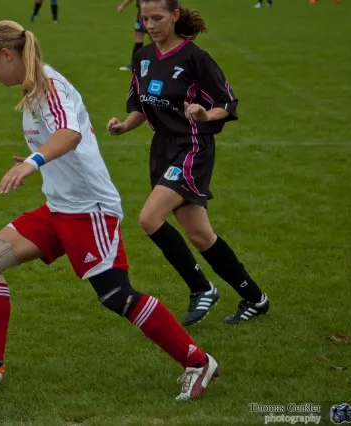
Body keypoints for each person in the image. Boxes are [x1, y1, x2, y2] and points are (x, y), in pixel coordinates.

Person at [0, 19, 219, 401]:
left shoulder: (47, 87)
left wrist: (33, 163)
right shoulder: (33, 88)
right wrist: (41, 159)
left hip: (89, 209)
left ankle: (198, 362)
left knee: (116, 295)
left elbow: (69, 134)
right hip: (60, 206)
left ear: (7, 55)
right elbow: (62, 139)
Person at [107, 0, 270, 326]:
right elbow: (141, 106)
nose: (150, 25)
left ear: (175, 16)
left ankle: (201, 288)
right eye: (145, 19)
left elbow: (227, 102)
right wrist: (123, 126)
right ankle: (256, 298)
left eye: (157, 18)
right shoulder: (143, 58)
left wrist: (205, 114)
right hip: (162, 149)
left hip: (193, 146)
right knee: (200, 235)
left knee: (149, 218)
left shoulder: (195, 58)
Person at [117, 0, 150, 70]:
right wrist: (123, 5)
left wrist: (122, 5)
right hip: (142, 14)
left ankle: (156, 63)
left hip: (152, 13)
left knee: (155, 40)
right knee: (138, 38)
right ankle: (135, 64)